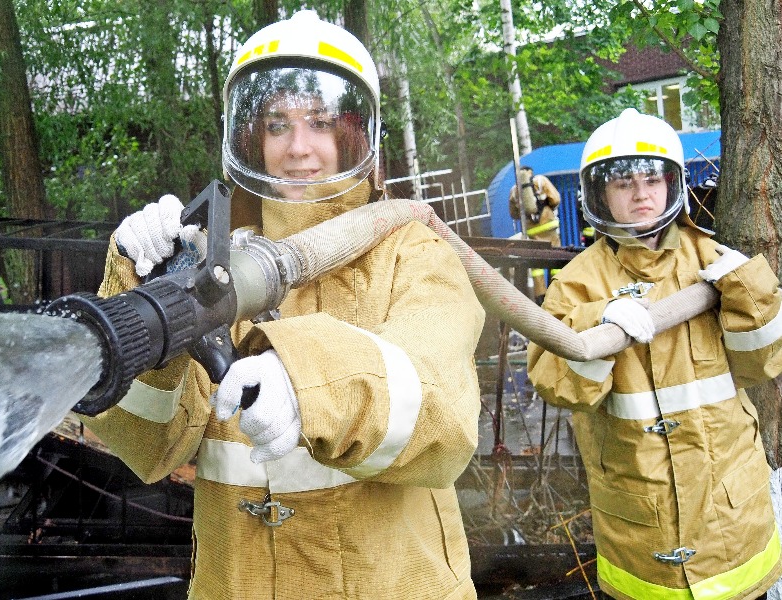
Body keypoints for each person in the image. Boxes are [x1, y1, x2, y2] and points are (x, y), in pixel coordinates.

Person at [78, 10, 484, 600]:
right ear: (250, 137)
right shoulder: (215, 262)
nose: (298, 148)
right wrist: (139, 292)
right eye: (277, 125)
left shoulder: (413, 252)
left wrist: (312, 385)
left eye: (320, 123)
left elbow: (443, 420)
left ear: (355, 134)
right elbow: (151, 448)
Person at [527, 108, 782, 600]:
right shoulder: (577, 285)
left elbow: (763, 364)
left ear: (673, 185)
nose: (641, 193)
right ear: (598, 193)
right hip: (642, 531)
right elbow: (558, 388)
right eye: (623, 183)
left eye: (651, 178)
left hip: (730, 519)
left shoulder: (714, 260)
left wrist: (752, 293)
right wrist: (596, 323)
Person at [509, 165, 561, 303]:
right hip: (548, 226)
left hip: (532, 231)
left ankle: (540, 297)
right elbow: (555, 199)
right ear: (530, 172)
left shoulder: (514, 190)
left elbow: (513, 214)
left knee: (537, 265)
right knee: (556, 257)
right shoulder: (540, 181)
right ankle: (555, 291)